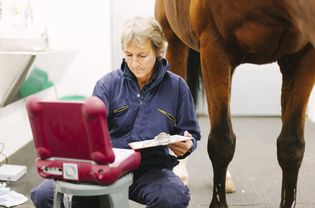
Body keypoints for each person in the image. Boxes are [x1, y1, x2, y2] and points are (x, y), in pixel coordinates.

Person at [30, 16, 201, 208]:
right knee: (43, 195)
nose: (135, 63)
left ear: (158, 51)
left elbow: (190, 133)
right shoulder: (107, 84)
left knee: (174, 197)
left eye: (142, 55)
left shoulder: (177, 87)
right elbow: (89, 133)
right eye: (128, 55)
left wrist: (187, 144)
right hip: (106, 168)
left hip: (150, 169)